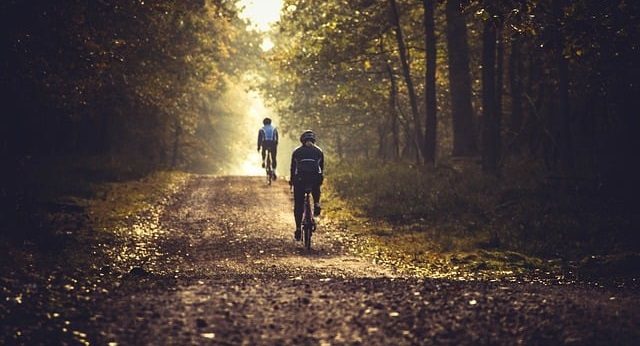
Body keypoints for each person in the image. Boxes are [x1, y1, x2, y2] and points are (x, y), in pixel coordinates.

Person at [289, 130, 324, 241]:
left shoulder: (297, 152)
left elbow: (293, 168)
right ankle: (317, 203)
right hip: (314, 178)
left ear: (302, 140)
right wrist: (320, 179)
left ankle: (298, 228)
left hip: (300, 180)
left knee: (298, 205)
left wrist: (292, 181)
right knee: (316, 186)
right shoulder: (319, 151)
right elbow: (321, 169)